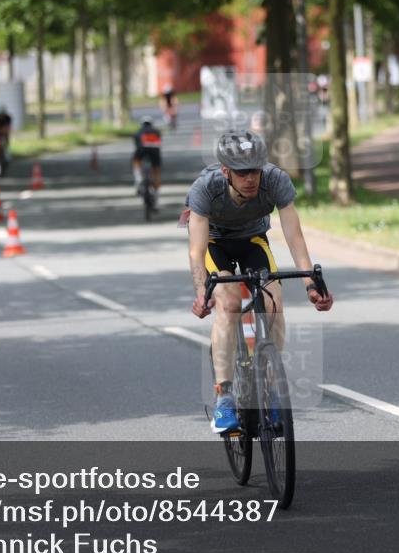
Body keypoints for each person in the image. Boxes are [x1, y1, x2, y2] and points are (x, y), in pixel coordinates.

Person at [186, 129, 333, 433]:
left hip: (253, 239)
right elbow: (196, 250)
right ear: (226, 171)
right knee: (228, 304)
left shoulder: (275, 180)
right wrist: (202, 292)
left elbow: (294, 235)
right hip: (215, 243)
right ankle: (225, 398)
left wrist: (310, 283)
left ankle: (271, 385)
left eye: (255, 170)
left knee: (273, 301)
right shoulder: (205, 188)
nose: (250, 178)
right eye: (241, 173)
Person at [132, 116, 162, 203]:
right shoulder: (156, 131)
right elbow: (159, 143)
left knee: (136, 161)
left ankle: (138, 178)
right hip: (154, 151)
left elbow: (136, 143)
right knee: (156, 170)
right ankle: (156, 197)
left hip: (141, 150)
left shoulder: (138, 131)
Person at [0, 106, 12, 177]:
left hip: (5, 135)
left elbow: (8, 129)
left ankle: (6, 159)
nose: (1, 117)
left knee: (6, 149)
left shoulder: (8, 118)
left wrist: (4, 132)